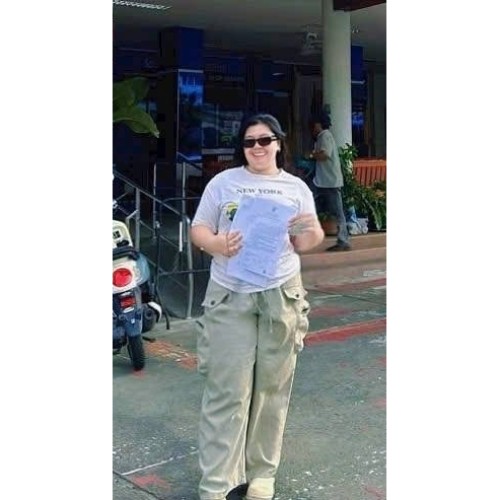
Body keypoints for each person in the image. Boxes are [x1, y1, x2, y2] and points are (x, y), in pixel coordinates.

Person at [190, 113, 324, 500]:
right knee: (226, 389)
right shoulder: (223, 183)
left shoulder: (296, 188)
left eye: (265, 140)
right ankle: (218, 483)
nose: (257, 148)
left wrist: (306, 236)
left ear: (279, 143)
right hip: (230, 292)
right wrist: (216, 243)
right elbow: (199, 228)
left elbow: (312, 236)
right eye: (249, 142)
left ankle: (262, 474)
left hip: (280, 292)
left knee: (272, 388)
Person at [309, 111, 351, 251]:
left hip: (330, 182)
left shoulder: (325, 136)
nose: (312, 128)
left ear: (319, 124)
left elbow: (325, 154)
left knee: (337, 211)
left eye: (314, 125)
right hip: (323, 180)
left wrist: (311, 155)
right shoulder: (322, 137)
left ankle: (343, 240)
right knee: (309, 204)